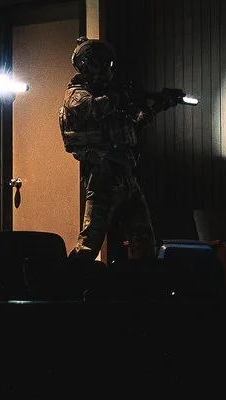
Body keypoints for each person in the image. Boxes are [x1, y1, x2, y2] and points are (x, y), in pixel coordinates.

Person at [57, 38, 185, 262]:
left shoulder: (109, 94)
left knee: (143, 239)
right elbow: (91, 108)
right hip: (102, 176)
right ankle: (70, 287)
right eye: (100, 63)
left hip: (126, 175)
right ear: (87, 64)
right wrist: (121, 98)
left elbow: (130, 128)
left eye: (108, 64)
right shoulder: (77, 94)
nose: (106, 69)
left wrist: (157, 106)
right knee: (90, 243)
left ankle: (140, 287)